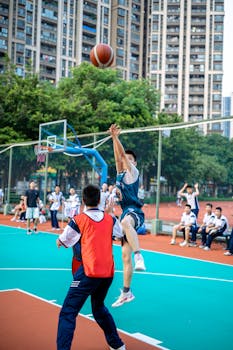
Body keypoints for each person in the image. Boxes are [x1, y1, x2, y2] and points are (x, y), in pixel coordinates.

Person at [56, 184, 126, 350]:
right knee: (99, 307)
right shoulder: (110, 219)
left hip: (89, 272)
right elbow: (121, 233)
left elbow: (64, 241)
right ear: (100, 200)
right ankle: (117, 345)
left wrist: (58, 240)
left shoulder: (78, 220)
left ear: (83, 200)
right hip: (108, 273)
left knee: (68, 312)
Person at [109, 123, 145, 308]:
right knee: (124, 256)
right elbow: (118, 157)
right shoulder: (120, 174)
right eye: (126, 159)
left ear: (134, 162)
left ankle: (139, 255)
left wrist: (117, 138)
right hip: (126, 213)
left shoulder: (133, 172)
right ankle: (126, 292)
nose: (125, 160)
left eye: (130, 159)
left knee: (124, 222)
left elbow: (122, 155)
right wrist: (113, 138)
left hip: (135, 212)